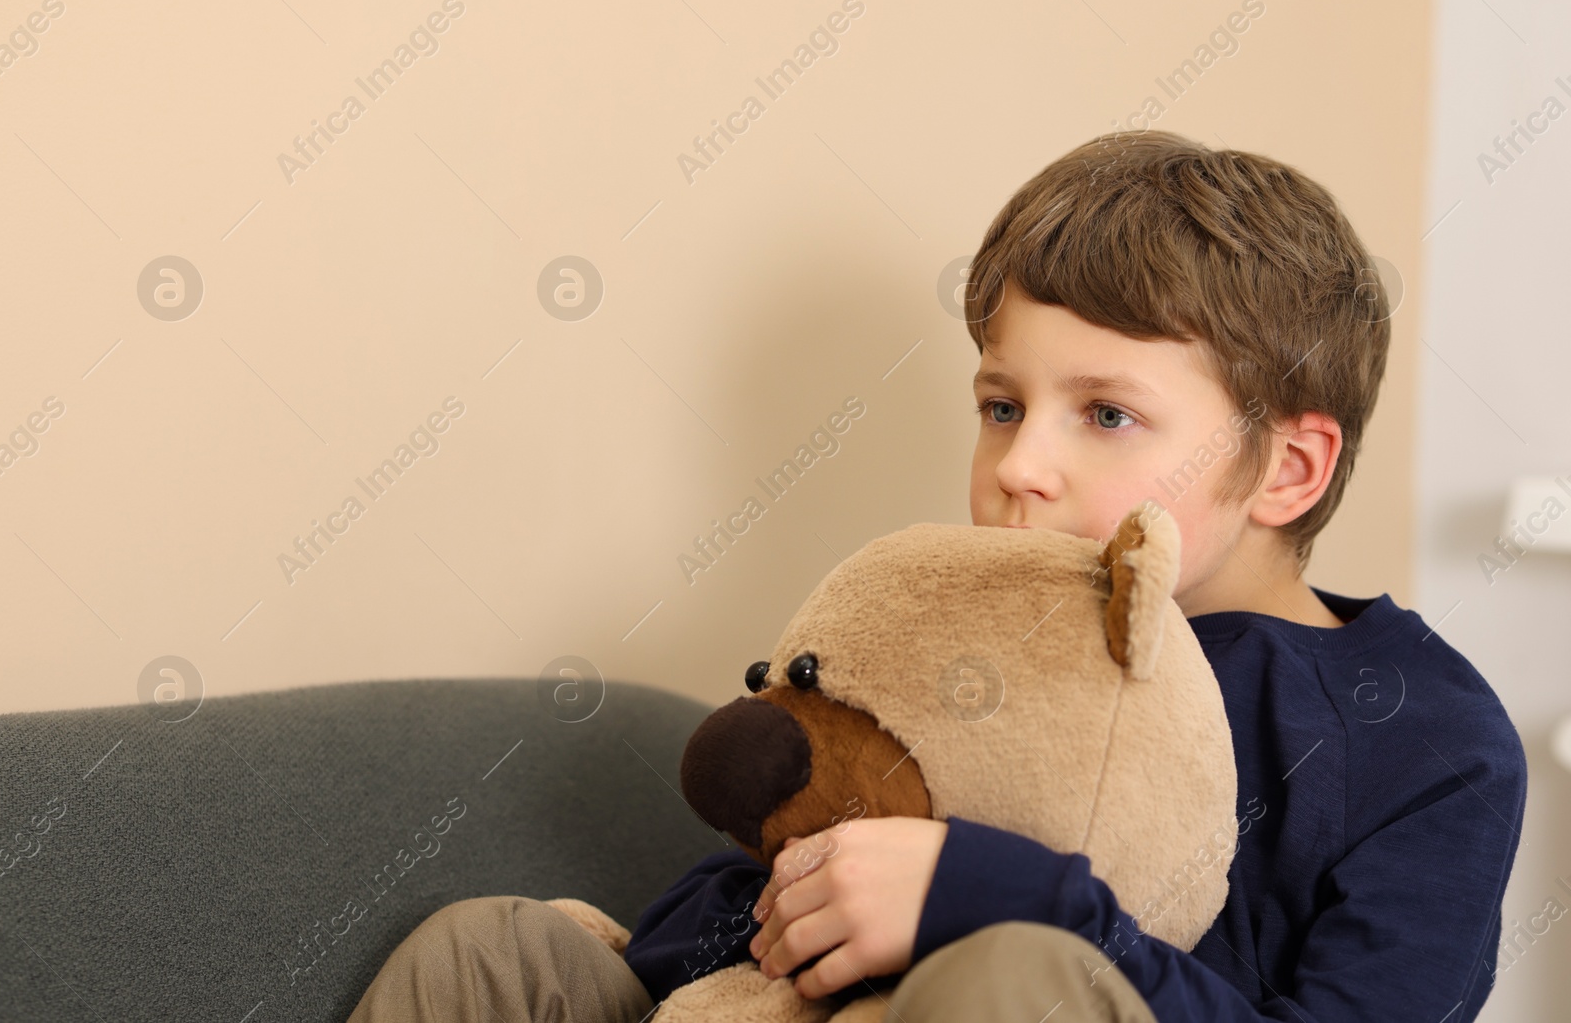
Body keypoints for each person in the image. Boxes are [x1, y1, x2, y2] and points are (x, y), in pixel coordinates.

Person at [349, 130, 1529, 1023]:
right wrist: (745, 912)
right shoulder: (973, 627)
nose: (1020, 467)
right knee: (492, 949)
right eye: (1002, 406)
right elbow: (796, 842)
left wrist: (1002, 897)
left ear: (1286, 466)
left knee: (1012, 973)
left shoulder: (1430, 736)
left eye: (1107, 414)